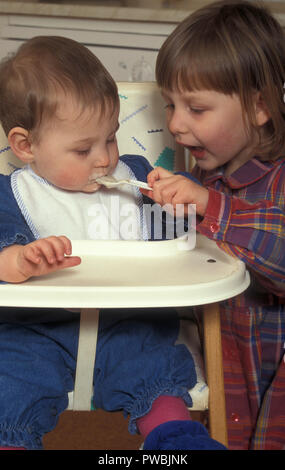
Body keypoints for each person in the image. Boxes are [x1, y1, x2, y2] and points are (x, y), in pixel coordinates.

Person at [0, 36, 226, 450]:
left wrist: (180, 201)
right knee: (8, 379)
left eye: (110, 137)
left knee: (155, 366)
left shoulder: (138, 178)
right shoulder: (11, 194)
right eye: (83, 148)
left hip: (127, 320)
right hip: (38, 329)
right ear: (26, 146)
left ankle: (173, 440)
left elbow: (183, 240)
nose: (104, 159)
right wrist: (20, 260)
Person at [141, 0, 285, 450]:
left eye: (196, 109)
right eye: (170, 105)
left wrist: (209, 205)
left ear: (260, 107)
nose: (176, 125)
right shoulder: (204, 173)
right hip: (229, 371)